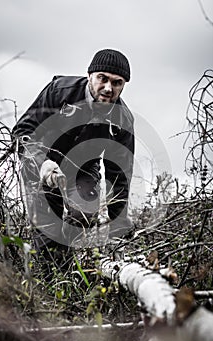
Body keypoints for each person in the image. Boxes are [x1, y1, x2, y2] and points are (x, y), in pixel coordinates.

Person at [12, 49, 135, 270]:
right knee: (48, 230)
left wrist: (119, 221)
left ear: (123, 85)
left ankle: (65, 258)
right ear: (90, 76)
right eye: (102, 78)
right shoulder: (60, 92)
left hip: (83, 170)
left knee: (84, 214)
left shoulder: (122, 121)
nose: (108, 88)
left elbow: (120, 175)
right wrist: (42, 163)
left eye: (117, 83)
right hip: (43, 163)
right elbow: (23, 129)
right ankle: (49, 279)